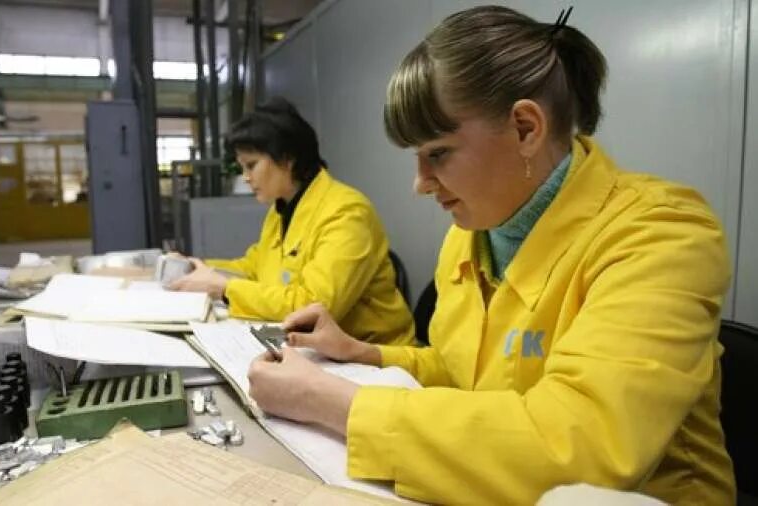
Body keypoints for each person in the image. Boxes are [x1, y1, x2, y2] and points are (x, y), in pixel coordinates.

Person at [247, 6, 735, 505]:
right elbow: (466, 373)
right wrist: (364, 353)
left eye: (437, 153)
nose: (420, 184)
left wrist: (333, 403)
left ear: (526, 128)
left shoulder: (661, 235)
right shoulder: (473, 232)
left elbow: (584, 451)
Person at [170, 97, 414, 345]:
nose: (245, 177)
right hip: (316, 349)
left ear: (287, 159)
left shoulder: (347, 212)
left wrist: (225, 289)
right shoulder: (282, 208)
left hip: (372, 355)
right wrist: (199, 268)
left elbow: (313, 306)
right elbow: (255, 266)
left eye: (251, 165)